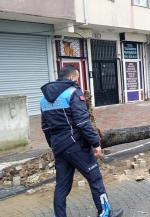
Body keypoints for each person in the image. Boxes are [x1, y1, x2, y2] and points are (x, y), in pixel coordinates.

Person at [40, 66, 123, 217]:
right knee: (95, 178)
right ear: (72, 77)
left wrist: (54, 145)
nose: (77, 83)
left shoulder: (44, 99)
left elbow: (45, 127)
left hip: (59, 147)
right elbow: (83, 123)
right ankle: (105, 213)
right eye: (77, 80)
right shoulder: (73, 93)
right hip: (76, 146)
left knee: (62, 186)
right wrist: (96, 143)